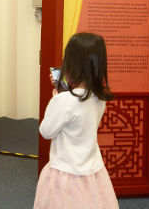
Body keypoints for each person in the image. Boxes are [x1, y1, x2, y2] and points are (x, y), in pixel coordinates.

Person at [33, 32, 119, 209]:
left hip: (65, 173)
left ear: (71, 63)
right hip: (92, 171)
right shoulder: (99, 98)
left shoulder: (63, 101)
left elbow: (46, 131)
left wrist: (55, 99)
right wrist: (63, 90)